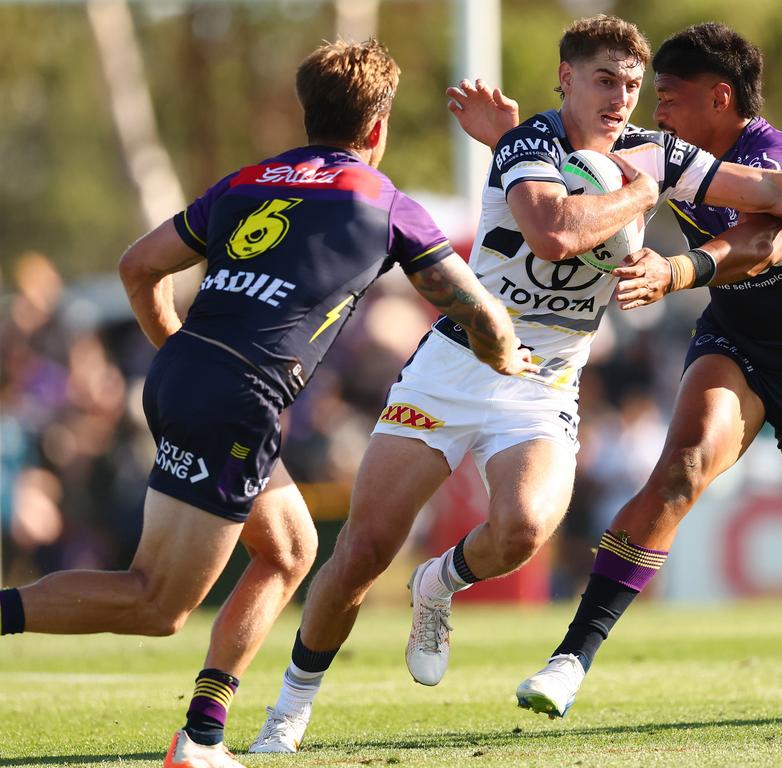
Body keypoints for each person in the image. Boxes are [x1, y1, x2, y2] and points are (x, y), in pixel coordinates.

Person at [249, 14, 782, 753]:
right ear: (565, 79)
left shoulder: (656, 152)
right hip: (460, 363)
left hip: (552, 379)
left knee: (528, 529)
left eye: (636, 85)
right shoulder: (531, 143)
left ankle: (439, 581)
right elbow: (554, 234)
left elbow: (778, 194)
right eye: (609, 81)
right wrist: (641, 187)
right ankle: (289, 712)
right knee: (366, 547)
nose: (630, 100)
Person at [0, 39, 531, 768]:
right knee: (157, 603)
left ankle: (202, 735)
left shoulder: (247, 180)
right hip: (238, 399)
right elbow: (482, 317)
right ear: (377, 128)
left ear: (306, 112)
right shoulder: (385, 204)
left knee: (290, 549)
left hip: (185, 377)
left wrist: (182, 356)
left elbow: (138, 266)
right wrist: (509, 362)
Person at [503, 22, 782, 722]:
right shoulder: (663, 152)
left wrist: (677, 270)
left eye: (668, 97)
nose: (652, 112)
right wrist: (501, 130)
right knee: (680, 469)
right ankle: (572, 658)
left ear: (719, 98)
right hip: (736, 342)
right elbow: (561, 160)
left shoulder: (774, 154)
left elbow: (766, 240)